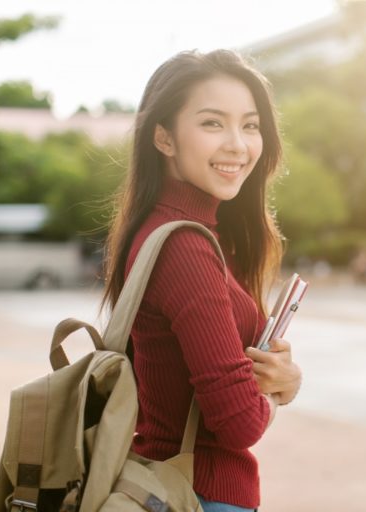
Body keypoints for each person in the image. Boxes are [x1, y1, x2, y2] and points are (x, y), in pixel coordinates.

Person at [101, 49, 302, 512]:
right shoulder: (185, 247)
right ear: (164, 138)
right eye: (213, 124)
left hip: (170, 484)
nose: (238, 144)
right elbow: (238, 425)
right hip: (196, 494)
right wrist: (280, 389)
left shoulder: (179, 231)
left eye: (250, 125)